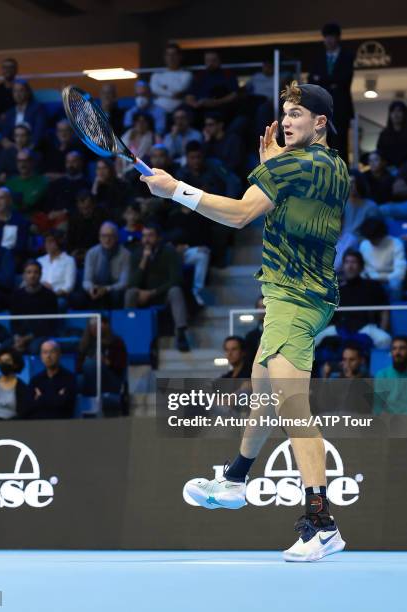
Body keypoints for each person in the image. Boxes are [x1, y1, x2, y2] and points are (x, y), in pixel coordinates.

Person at [141, 80, 350, 561]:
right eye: (284, 111)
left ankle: (321, 524)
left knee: (294, 410)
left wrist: (175, 190)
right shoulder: (334, 165)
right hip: (298, 297)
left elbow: (239, 216)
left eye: (297, 112)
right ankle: (235, 480)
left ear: (320, 122)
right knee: (262, 396)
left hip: (295, 301)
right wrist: (274, 164)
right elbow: (294, 197)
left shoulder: (295, 163)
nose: (287, 119)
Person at [125, 223, 190, 352]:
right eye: (144, 236)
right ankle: (130, 332)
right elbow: (131, 283)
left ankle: (181, 333)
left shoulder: (169, 251)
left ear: (159, 237)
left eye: (150, 236)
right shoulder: (137, 253)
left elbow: (176, 279)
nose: (146, 239)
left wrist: (153, 293)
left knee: (175, 291)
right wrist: (144, 260)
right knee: (130, 293)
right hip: (143, 295)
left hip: (163, 293)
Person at [316, 250, 391, 350]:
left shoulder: (373, 286)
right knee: (311, 341)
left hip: (366, 328)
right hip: (339, 328)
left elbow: (384, 310)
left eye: (354, 262)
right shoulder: (336, 290)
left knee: (385, 340)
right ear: (343, 266)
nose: (350, 266)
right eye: (347, 262)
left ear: (361, 267)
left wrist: (382, 329)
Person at [308, 23, 354, 162]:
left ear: (338, 38)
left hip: (341, 106)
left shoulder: (347, 56)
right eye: (326, 37)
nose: (329, 40)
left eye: (332, 37)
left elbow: (344, 80)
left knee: (340, 143)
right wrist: (332, 82)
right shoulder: (318, 57)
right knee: (321, 142)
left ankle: (342, 176)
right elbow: (311, 80)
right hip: (321, 108)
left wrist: (321, 79)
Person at [73, 222, 130, 310]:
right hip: (96, 288)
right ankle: (88, 322)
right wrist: (91, 289)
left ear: (116, 237)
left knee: (117, 294)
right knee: (77, 297)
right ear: (99, 237)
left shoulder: (126, 254)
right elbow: (87, 280)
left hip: (114, 289)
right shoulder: (92, 253)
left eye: (110, 236)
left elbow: (124, 283)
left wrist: (106, 289)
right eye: (103, 236)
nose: (107, 240)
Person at [164, 203, 211, 306]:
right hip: (174, 251)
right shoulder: (173, 216)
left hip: (191, 250)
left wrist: (191, 247)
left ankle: (196, 291)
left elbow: (206, 238)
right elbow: (166, 238)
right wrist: (175, 247)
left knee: (203, 255)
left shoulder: (200, 216)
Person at [10, 260, 59, 354]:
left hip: (40, 335)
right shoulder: (16, 295)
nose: (32, 276)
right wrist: (17, 337)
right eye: (29, 272)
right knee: (4, 348)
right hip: (21, 335)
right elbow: (14, 321)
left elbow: (49, 324)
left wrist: (27, 338)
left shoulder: (49, 296)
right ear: (23, 275)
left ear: (40, 275)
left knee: (34, 348)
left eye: (35, 272)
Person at [334, 170, 379, 270]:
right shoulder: (341, 204)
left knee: (350, 237)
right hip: (341, 242)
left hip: (361, 242)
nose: (351, 185)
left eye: (353, 182)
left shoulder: (370, 206)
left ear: (360, 183)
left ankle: (334, 270)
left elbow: (373, 232)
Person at [359, 217, 406, 302]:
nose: (372, 241)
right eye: (370, 239)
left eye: (375, 238)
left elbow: (400, 273)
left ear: (382, 235)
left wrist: (380, 278)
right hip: (370, 280)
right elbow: (362, 271)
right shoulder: (364, 245)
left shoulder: (396, 243)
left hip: (390, 280)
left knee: (395, 284)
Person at [77, 317, 128, 397]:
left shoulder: (116, 342)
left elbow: (120, 367)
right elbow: (78, 367)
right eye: (92, 324)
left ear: (106, 325)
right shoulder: (85, 344)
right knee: (77, 380)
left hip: (111, 378)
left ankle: (95, 399)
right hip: (90, 378)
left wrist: (106, 362)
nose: (94, 327)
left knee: (91, 365)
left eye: (97, 324)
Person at [27, 340, 76, 419]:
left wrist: (40, 398)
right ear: (41, 356)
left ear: (59, 354)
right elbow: (29, 406)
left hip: (63, 425)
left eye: (52, 352)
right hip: (38, 424)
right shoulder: (35, 380)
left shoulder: (69, 378)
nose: (48, 356)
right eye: (45, 352)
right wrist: (57, 398)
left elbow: (67, 406)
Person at [185, 50, 239, 122]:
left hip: (222, 109)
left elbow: (234, 94)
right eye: (208, 60)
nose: (210, 63)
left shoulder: (228, 74)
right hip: (200, 109)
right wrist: (195, 104)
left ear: (219, 61)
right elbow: (189, 96)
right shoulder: (198, 76)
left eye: (214, 60)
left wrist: (216, 102)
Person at [0, 348, 30, 420]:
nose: (3, 364)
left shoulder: (22, 388)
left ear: (15, 364)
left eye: (7, 361)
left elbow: (24, 413)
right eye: (1, 361)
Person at [0, 187, 30, 264]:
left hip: (11, 260)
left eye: (1, 198)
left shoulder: (20, 222)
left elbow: (21, 247)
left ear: (9, 200)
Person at [1, 80, 47, 148]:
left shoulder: (38, 109)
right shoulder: (10, 113)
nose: (18, 94)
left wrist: (28, 149)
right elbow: (4, 136)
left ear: (28, 92)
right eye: (15, 91)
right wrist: (14, 146)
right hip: (13, 148)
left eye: (21, 90)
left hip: (32, 147)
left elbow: (39, 133)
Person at [37, 230, 77, 307]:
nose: (47, 245)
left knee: (59, 303)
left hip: (58, 296)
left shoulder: (69, 260)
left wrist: (53, 293)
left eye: (51, 242)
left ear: (59, 242)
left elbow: (69, 286)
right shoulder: (40, 260)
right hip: (39, 294)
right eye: (46, 242)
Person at [150, 43, 192, 115]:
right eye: (168, 55)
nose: (171, 58)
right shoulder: (156, 75)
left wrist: (163, 89)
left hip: (179, 111)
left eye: (174, 54)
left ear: (180, 56)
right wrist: (172, 94)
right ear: (165, 57)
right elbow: (154, 89)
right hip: (158, 110)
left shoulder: (186, 74)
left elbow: (180, 89)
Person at [66, 189, 105, 266]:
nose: (85, 211)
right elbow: (69, 240)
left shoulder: (101, 217)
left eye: (87, 208)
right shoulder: (74, 219)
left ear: (93, 205)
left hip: (97, 253)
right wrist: (73, 252)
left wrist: (89, 253)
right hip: (78, 254)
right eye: (81, 208)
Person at [5, 149, 49, 216]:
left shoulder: (42, 181)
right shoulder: (10, 182)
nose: (22, 164)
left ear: (32, 162)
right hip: (12, 218)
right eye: (19, 161)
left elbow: (30, 203)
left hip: (33, 220)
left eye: (26, 161)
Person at [47, 150, 90, 215]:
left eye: (73, 161)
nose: (70, 165)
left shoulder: (86, 184)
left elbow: (84, 206)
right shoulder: (57, 183)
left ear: (81, 163)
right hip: (54, 217)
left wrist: (65, 212)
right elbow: (49, 202)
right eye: (68, 162)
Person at [374, 336, 407, 414]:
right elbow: (378, 407)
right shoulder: (382, 375)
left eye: (402, 348)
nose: (397, 352)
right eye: (394, 348)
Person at [118, 112, 155, 177]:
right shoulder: (127, 135)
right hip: (124, 171)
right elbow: (118, 158)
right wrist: (119, 174)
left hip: (140, 173)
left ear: (148, 124)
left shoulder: (153, 137)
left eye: (144, 121)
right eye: (138, 121)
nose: (140, 124)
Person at [377, 100, 407, 168]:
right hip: (388, 171)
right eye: (393, 111)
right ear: (390, 114)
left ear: (404, 114)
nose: (396, 114)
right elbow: (380, 153)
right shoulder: (384, 134)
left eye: (399, 111)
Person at [243, 296, 265, 376]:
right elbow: (248, 361)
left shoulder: (280, 333)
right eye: (259, 307)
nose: (262, 311)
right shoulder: (251, 336)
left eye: (264, 307)